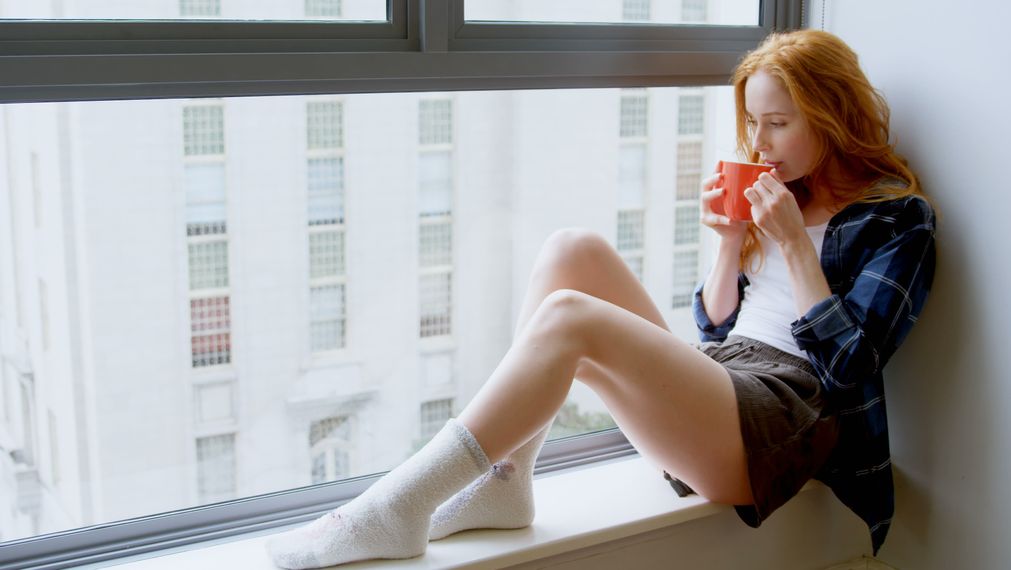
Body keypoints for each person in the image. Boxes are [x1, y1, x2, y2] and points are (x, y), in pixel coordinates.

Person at [266, 29, 936, 568]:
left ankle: (395, 508)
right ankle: (505, 483)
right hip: (729, 378)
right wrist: (732, 244)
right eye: (753, 123)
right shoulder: (786, 195)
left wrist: (792, 244)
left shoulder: (899, 221)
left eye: (777, 123)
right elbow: (716, 322)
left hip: (789, 419)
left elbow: (851, 368)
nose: (758, 143)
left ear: (831, 115)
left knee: (569, 320)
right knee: (571, 250)